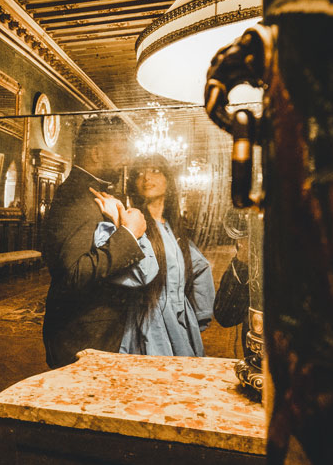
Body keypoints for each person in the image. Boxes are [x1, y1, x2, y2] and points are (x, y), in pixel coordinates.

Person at [41, 115, 147, 368]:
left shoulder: (90, 189)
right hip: (82, 337)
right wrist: (129, 234)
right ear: (96, 153)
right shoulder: (76, 196)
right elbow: (74, 274)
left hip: (96, 333)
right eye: (120, 148)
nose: (128, 158)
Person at [92, 153, 215, 357]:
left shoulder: (173, 228)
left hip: (180, 324)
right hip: (148, 323)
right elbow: (137, 274)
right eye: (140, 173)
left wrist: (198, 315)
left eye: (155, 171)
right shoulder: (130, 219)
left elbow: (200, 267)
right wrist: (121, 224)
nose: (147, 177)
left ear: (169, 180)